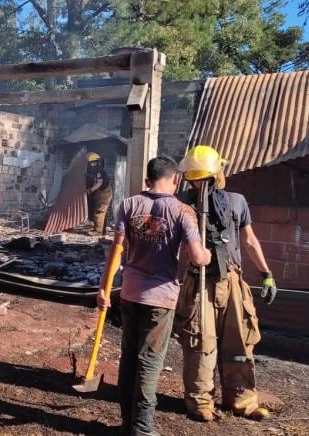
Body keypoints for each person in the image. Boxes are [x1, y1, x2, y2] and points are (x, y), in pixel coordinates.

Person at [97, 156, 211, 436]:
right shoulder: (183, 211)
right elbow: (197, 257)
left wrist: (103, 287)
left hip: (129, 292)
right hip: (160, 299)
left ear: (148, 178)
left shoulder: (129, 205)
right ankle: (143, 429)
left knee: (129, 358)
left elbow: (116, 249)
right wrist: (206, 255)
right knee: (148, 362)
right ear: (176, 179)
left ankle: (128, 423)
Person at [174, 145, 278, 422]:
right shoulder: (183, 204)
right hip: (198, 282)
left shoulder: (236, 202)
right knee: (200, 341)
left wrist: (265, 273)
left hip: (231, 279)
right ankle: (200, 402)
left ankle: (243, 401)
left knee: (239, 340)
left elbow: (249, 239)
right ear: (218, 170)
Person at [86, 152, 114, 235]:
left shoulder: (99, 171)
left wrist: (90, 190)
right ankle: (102, 231)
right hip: (102, 192)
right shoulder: (96, 169)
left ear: (93, 162)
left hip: (105, 193)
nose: (89, 164)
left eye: (90, 162)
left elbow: (99, 183)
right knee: (102, 212)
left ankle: (97, 231)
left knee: (99, 211)